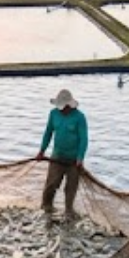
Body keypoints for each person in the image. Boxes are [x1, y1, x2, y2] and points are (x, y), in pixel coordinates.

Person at [35, 89, 89, 218]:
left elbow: (84, 139)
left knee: (70, 189)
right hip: (57, 156)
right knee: (51, 184)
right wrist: (41, 151)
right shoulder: (53, 114)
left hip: (74, 160)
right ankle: (46, 207)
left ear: (69, 105)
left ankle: (68, 211)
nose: (61, 109)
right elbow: (48, 133)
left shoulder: (79, 117)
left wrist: (80, 158)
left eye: (63, 107)